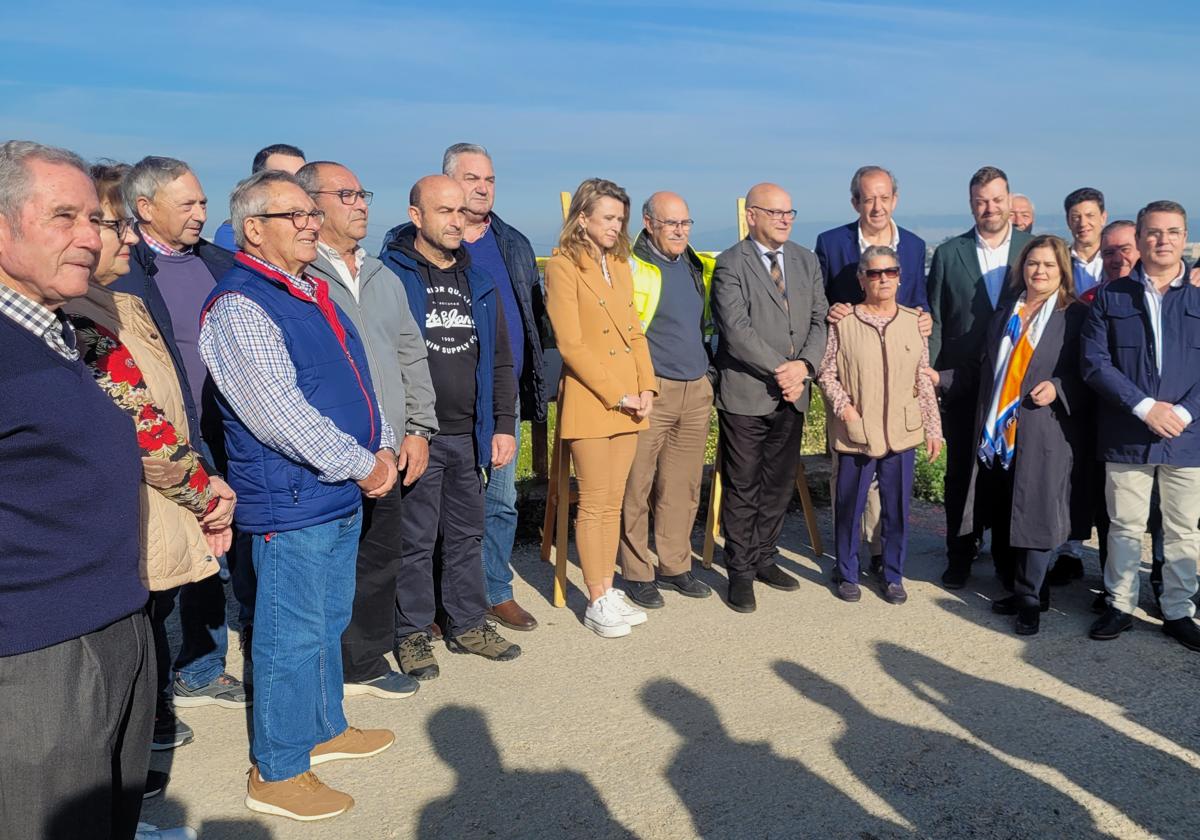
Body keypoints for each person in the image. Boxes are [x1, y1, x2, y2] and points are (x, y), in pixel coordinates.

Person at [199, 170, 398, 820]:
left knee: (326, 623)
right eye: (296, 215)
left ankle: (325, 728)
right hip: (291, 501)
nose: (312, 223)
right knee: (289, 636)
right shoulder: (241, 305)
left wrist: (386, 442)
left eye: (313, 212)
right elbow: (276, 414)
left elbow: (360, 379)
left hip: (334, 492)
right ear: (253, 230)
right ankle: (277, 770)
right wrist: (362, 464)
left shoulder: (310, 291)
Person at [0, 140, 152, 840]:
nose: (91, 237)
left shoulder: (56, 332)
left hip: (115, 624)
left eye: (96, 218)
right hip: (37, 659)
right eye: (65, 216)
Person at [115, 155, 246, 751]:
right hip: (164, 441)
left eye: (202, 202)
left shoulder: (219, 263)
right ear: (145, 209)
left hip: (225, 427)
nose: (202, 214)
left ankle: (203, 665)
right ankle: (155, 693)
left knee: (215, 550)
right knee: (166, 561)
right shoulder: (124, 273)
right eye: (187, 205)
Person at [299, 160, 437, 699]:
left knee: (381, 554)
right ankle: (320, 668)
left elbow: (410, 354)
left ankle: (363, 661)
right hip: (330, 450)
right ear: (312, 205)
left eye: (363, 194)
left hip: (390, 443)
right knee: (327, 564)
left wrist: (419, 428)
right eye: (347, 194)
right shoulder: (304, 276)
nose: (361, 204)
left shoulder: (381, 276)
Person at [379, 175, 522, 673]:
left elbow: (500, 360)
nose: (456, 220)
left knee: (467, 534)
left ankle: (467, 622)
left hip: (469, 434)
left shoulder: (479, 281)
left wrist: (503, 423)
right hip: (419, 434)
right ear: (416, 215)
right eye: (444, 211)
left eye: (462, 211)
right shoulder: (391, 276)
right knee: (415, 540)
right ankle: (412, 632)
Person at [934, 235, 1086, 635]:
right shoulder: (1005, 315)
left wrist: (1058, 387)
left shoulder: (1074, 317)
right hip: (999, 432)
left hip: (1043, 430)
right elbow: (981, 369)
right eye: (1033, 264)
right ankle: (1021, 588)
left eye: (1049, 266)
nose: (1040, 271)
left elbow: (1088, 374)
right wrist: (938, 378)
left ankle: (1032, 600)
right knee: (1005, 509)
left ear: (1062, 272)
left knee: (1034, 511)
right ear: (1023, 268)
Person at [1081, 200, 1200, 652]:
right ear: (1140, 240)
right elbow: (1094, 362)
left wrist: (1183, 413)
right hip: (1128, 432)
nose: (1162, 240)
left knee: (1183, 528)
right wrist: (1145, 406)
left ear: (1184, 236)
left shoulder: (1197, 293)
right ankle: (1120, 604)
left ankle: (1177, 611)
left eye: (1172, 232)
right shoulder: (1111, 296)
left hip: (1188, 436)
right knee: (1124, 525)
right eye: (1153, 232)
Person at [544, 177, 658, 637]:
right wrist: (619, 392)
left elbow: (634, 331)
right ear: (583, 218)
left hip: (630, 399)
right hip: (594, 399)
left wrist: (647, 387)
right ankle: (595, 598)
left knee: (614, 501)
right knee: (593, 503)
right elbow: (570, 344)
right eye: (608, 218)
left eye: (620, 219)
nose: (616, 226)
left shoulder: (621, 264)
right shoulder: (561, 266)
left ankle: (607, 589)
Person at [443, 143, 548, 631]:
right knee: (443, 504)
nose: (482, 188)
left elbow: (536, 318)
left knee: (500, 500)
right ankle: (442, 600)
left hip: (502, 396)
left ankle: (495, 590)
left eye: (489, 180)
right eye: (471, 178)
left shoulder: (514, 243)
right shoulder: (424, 241)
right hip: (447, 397)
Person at [712, 183, 828, 613]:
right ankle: (739, 570)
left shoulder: (805, 260)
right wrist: (784, 369)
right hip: (747, 393)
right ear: (752, 215)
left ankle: (765, 557)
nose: (784, 219)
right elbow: (736, 330)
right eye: (775, 212)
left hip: (794, 392)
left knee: (779, 484)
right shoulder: (730, 264)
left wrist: (805, 368)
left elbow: (820, 319)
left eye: (789, 212)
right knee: (744, 485)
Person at [816, 165, 929, 572]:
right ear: (855, 202)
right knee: (849, 474)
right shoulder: (831, 243)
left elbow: (919, 303)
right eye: (868, 198)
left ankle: (881, 554)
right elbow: (820, 300)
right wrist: (832, 309)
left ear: (895, 200)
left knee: (891, 476)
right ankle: (848, 556)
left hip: (896, 374)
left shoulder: (914, 246)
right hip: (851, 373)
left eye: (884, 197)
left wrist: (925, 320)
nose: (877, 206)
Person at [817, 245, 942, 604]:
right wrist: (846, 410)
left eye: (889, 272)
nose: (882, 279)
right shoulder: (844, 322)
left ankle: (892, 574)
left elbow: (922, 378)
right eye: (874, 273)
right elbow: (827, 373)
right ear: (861, 279)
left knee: (897, 509)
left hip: (901, 432)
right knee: (849, 506)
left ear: (900, 277)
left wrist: (933, 429)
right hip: (857, 430)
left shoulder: (913, 322)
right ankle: (846, 570)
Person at [927, 166, 1032, 589]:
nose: (989, 208)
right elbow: (934, 319)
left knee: (1009, 473)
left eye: (996, 199)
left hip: (1017, 382)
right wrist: (930, 380)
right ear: (971, 205)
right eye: (980, 201)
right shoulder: (950, 254)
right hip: (962, 382)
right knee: (960, 475)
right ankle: (960, 554)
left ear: (1009, 200)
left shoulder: (1033, 249)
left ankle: (1009, 560)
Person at [618, 191, 716, 609]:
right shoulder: (632, 266)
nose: (680, 231)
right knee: (637, 484)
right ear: (648, 223)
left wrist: (707, 375)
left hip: (695, 388)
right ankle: (638, 571)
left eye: (685, 223)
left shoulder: (694, 264)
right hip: (652, 388)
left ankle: (675, 564)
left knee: (683, 485)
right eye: (671, 223)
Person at [213, 143, 306, 251]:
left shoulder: (314, 226)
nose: (294, 185)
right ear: (257, 181)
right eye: (281, 177)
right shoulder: (233, 234)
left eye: (300, 178)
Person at [1065, 187, 1108, 297]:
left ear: (1103, 218)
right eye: (1076, 217)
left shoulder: (1117, 258)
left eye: (1090, 216)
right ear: (1068, 222)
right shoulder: (1061, 260)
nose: (1083, 223)